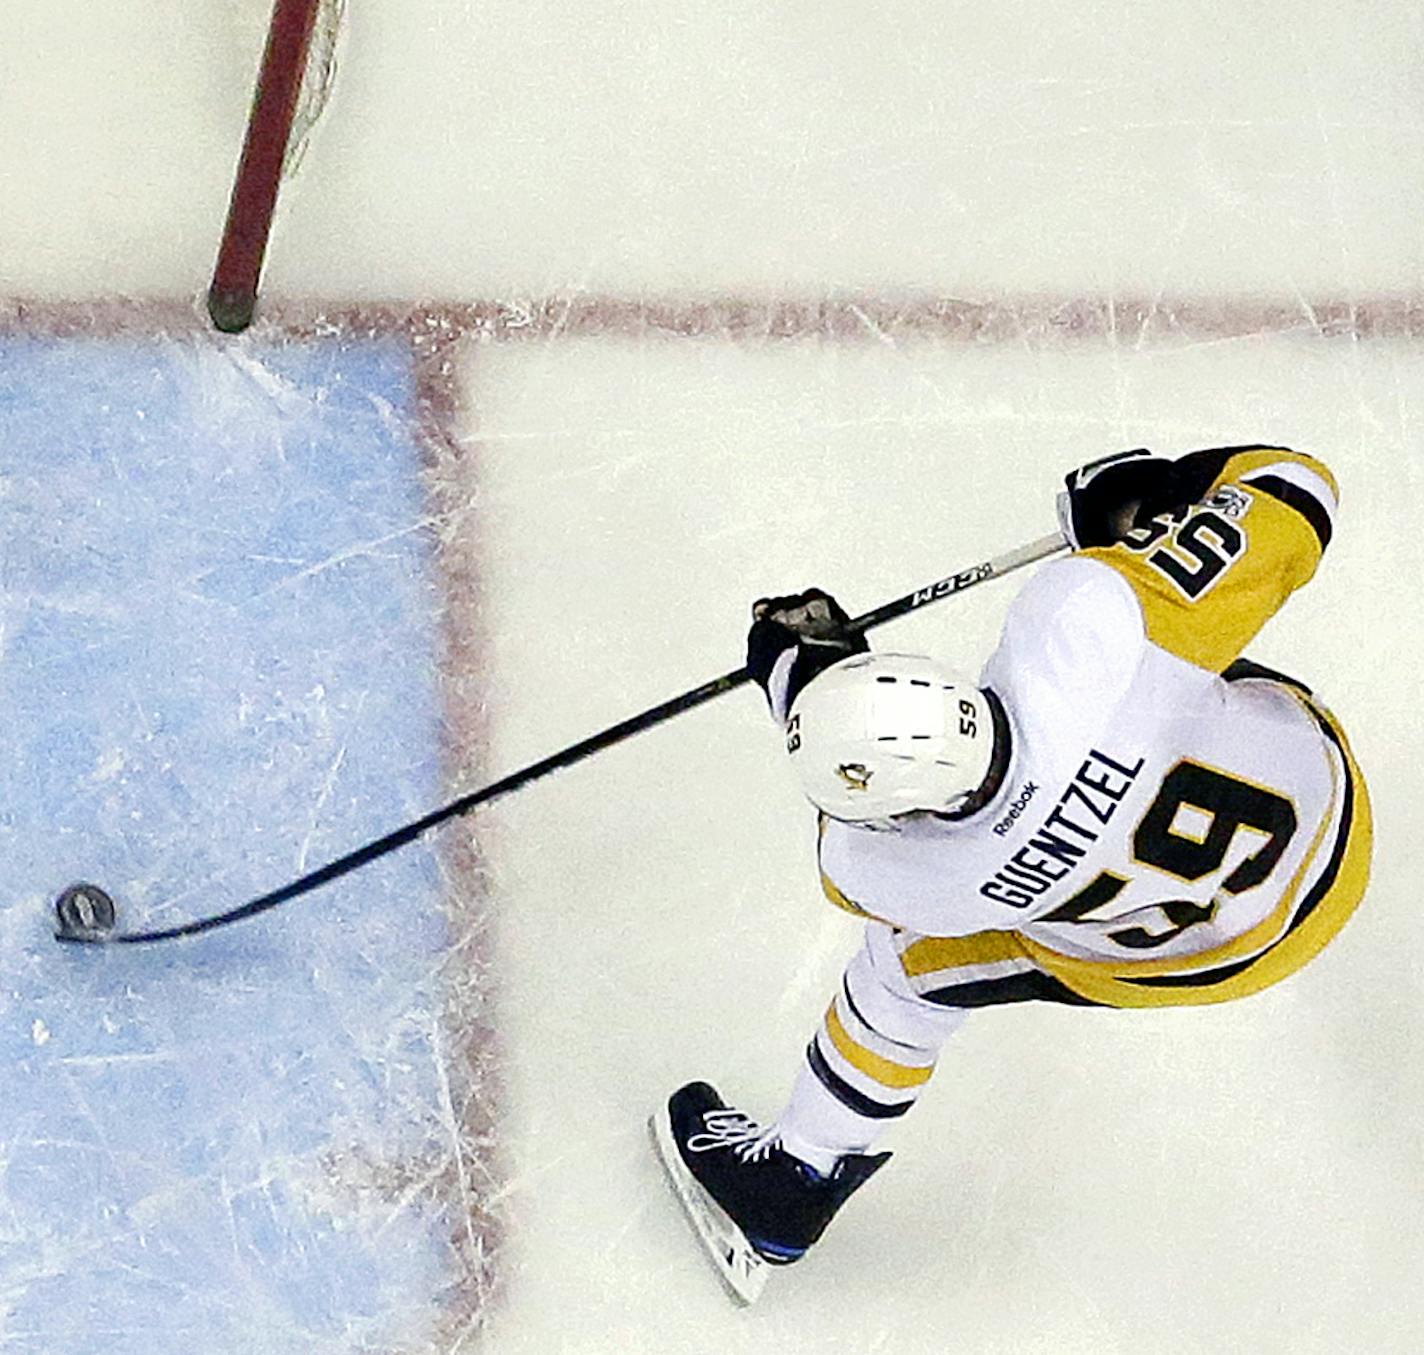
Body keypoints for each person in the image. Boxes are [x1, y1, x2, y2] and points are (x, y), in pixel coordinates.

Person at [651, 445, 1372, 1304]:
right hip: (1332, 821)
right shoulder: (1094, 616)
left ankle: (797, 1181)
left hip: (1200, 956)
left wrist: (802, 680)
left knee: (902, 971)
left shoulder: (898, 870)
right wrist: (1157, 504)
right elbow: (1300, 488)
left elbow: (856, 820)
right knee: (1186, 654)